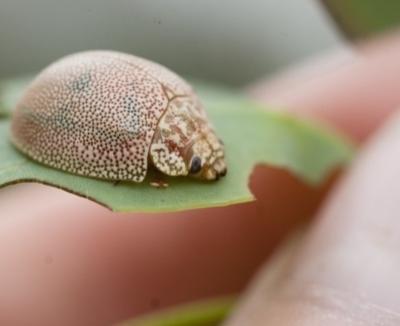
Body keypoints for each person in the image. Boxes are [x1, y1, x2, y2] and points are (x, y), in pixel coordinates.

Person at [2, 30, 400, 326]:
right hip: (47, 103)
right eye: (198, 165)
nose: (214, 171)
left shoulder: (172, 119)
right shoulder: (138, 141)